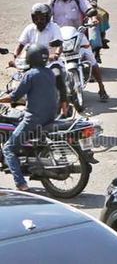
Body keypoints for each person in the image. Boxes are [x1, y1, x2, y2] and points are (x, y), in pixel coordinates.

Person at [0, 45, 59, 191]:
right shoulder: (50, 72)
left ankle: (21, 184)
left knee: (8, 148)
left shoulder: (31, 74)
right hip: (49, 115)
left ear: (30, 57)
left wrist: (1, 100)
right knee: (17, 116)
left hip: (34, 118)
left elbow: (15, 96)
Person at [49, 0, 109, 102]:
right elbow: (46, 13)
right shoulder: (53, 0)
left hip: (78, 34)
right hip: (59, 37)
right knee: (48, 59)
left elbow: (89, 9)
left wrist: (93, 19)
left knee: (91, 59)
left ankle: (101, 87)